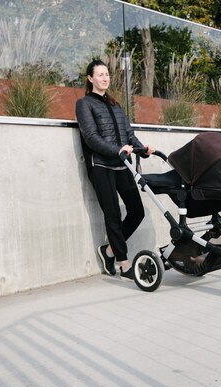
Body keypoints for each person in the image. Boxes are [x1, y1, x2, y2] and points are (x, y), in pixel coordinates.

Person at [76, 59, 155, 278]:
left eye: (107, 74)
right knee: (112, 215)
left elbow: (129, 134)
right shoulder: (84, 104)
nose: (105, 78)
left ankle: (109, 249)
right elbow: (91, 137)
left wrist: (142, 149)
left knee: (136, 211)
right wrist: (117, 150)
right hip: (101, 166)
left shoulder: (114, 105)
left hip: (121, 164)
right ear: (90, 78)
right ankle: (123, 263)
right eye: (100, 74)